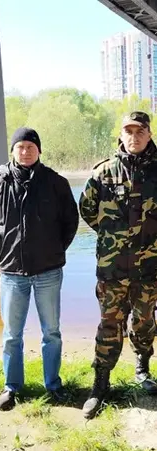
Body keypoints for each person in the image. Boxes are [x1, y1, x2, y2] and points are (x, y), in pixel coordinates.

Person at [79, 111, 157, 419]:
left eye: (140, 131)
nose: (134, 136)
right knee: (109, 325)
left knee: (145, 322)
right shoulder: (103, 173)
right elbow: (87, 209)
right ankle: (101, 383)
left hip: (150, 270)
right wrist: (112, 238)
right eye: (129, 131)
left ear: (149, 134)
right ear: (121, 135)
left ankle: (143, 367)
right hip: (112, 270)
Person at [0, 127, 79, 411]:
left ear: (39, 150)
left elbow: (71, 222)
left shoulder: (56, 182)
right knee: (11, 334)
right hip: (11, 272)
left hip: (48, 271)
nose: (26, 151)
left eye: (31, 146)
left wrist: (55, 250)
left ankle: (53, 385)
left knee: (51, 332)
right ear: (13, 151)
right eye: (20, 146)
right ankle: (11, 387)